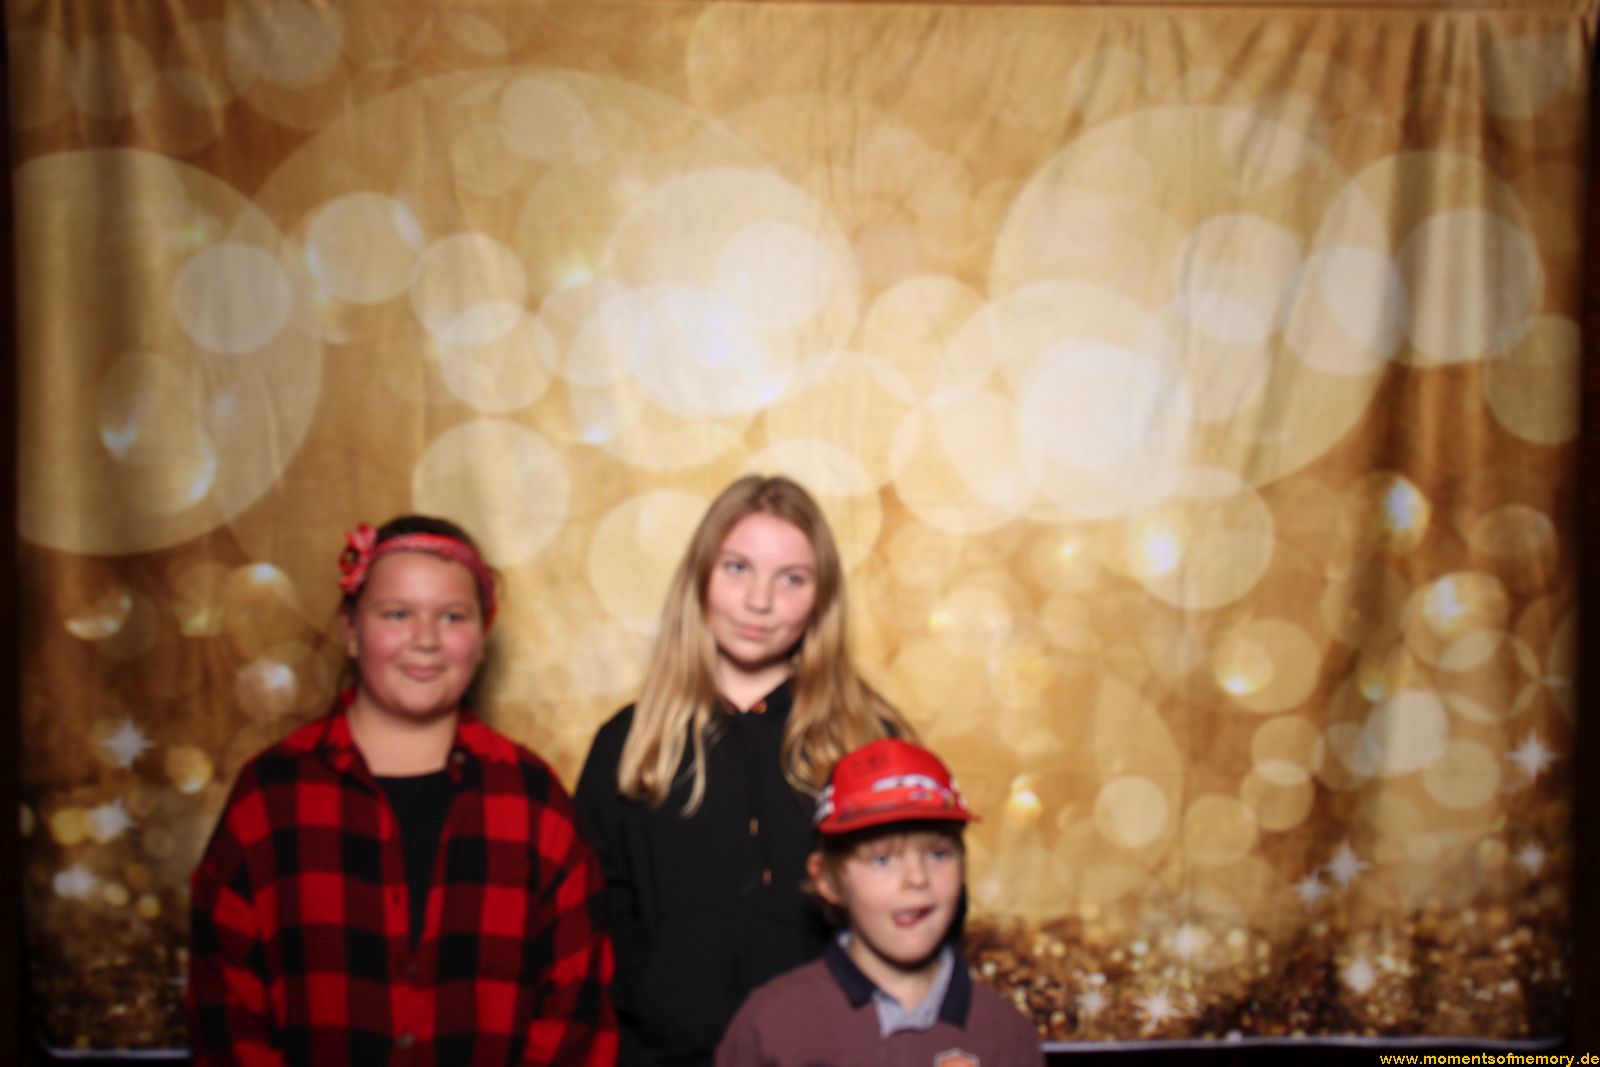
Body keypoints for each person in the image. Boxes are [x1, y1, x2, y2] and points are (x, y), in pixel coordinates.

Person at [188, 516, 617, 1066]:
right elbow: (226, 1011)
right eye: (396, 614)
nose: (425, 639)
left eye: (452, 616)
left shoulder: (534, 801)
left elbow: (576, 1010)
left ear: (482, 639)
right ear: (350, 631)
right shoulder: (271, 797)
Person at [575, 475, 911, 1065]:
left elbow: (922, 907)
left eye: (791, 579)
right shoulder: (629, 745)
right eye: (737, 569)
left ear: (822, 598)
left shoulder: (869, 742)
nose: (759, 601)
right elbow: (587, 924)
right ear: (700, 576)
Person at [715, 738, 1044, 1067]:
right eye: (882, 859)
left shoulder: (1005, 1033)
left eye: (938, 854)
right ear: (828, 879)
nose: (917, 879)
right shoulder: (772, 1025)